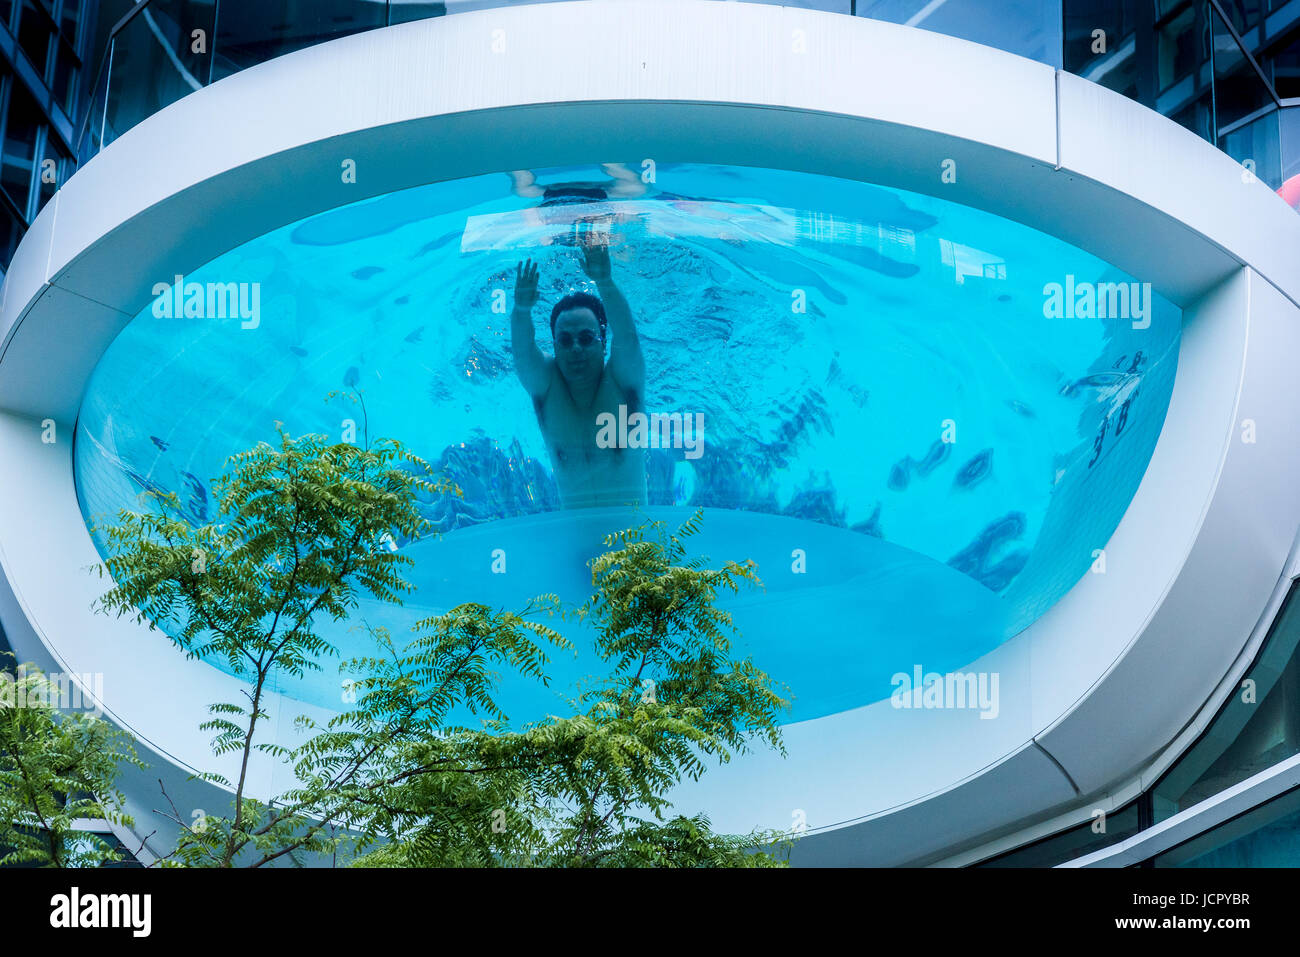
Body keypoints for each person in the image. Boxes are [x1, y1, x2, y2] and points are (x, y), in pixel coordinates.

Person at [511, 237, 647, 509]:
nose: (575, 349)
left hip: (636, 543)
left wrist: (605, 282)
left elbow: (628, 337)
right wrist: (521, 309)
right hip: (575, 543)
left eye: (586, 338)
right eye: (565, 340)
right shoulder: (547, 388)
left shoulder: (622, 383)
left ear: (603, 342)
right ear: (555, 347)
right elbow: (523, 353)